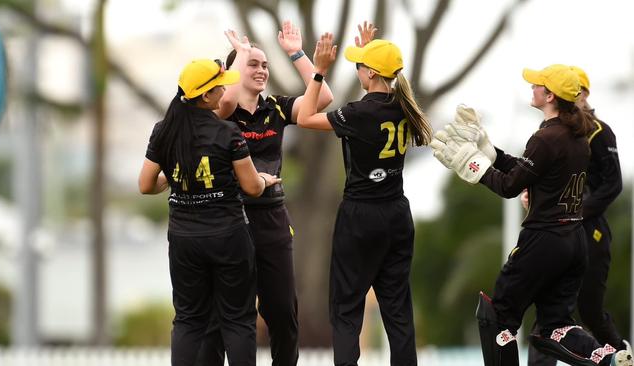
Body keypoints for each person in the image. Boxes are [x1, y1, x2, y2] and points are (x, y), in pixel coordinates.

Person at [430, 64, 632, 366]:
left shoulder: (547, 138)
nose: (532, 88)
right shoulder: (576, 137)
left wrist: (472, 166)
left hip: (543, 240)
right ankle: (609, 359)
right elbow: (531, 170)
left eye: (537, 85)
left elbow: (510, 186)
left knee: (497, 317)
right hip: (574, 242)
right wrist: (491, 152)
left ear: (549, 95)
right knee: (555, 327)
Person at [199, 21, 334, 366]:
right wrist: (237, 56)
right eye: (252, 64)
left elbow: (324, 97)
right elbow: (225, 98)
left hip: (272, 219)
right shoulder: (218, 113)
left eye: (264, 65)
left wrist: (297, 54)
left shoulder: (275, 107)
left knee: (283, 315)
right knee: (227, 317)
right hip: (229, 221)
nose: (261, 70)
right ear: (234, 71)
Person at [296, 25, 432, 366]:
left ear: (371, 73)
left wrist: (319, 72)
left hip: (360, 215)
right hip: (397, 214)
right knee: (397, 309)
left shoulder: (359, 113)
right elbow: (382, 88)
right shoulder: (404, 108)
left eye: (360, 65)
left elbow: (305, 117)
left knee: (346, 308)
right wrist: (373, 53)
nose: (356, 69)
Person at [138, 58, 280, 366]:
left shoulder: (164, 131)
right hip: (228, 235)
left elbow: (146, 184)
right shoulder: (227, 132)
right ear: (205, 96)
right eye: (220, 86)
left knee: (189, 320)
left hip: (184, 239)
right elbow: (252, 187)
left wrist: (174, 180)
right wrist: (266, 179)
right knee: (238, 320)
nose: (225, 90)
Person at [526, 66, 629, 366]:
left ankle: (620, 356)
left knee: (590, 310)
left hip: (589, 230)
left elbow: (613, 185)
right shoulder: (555, 132)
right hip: (557, 232)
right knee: (549, 308)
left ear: (583, 94)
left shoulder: (599, 130)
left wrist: (576, 213)